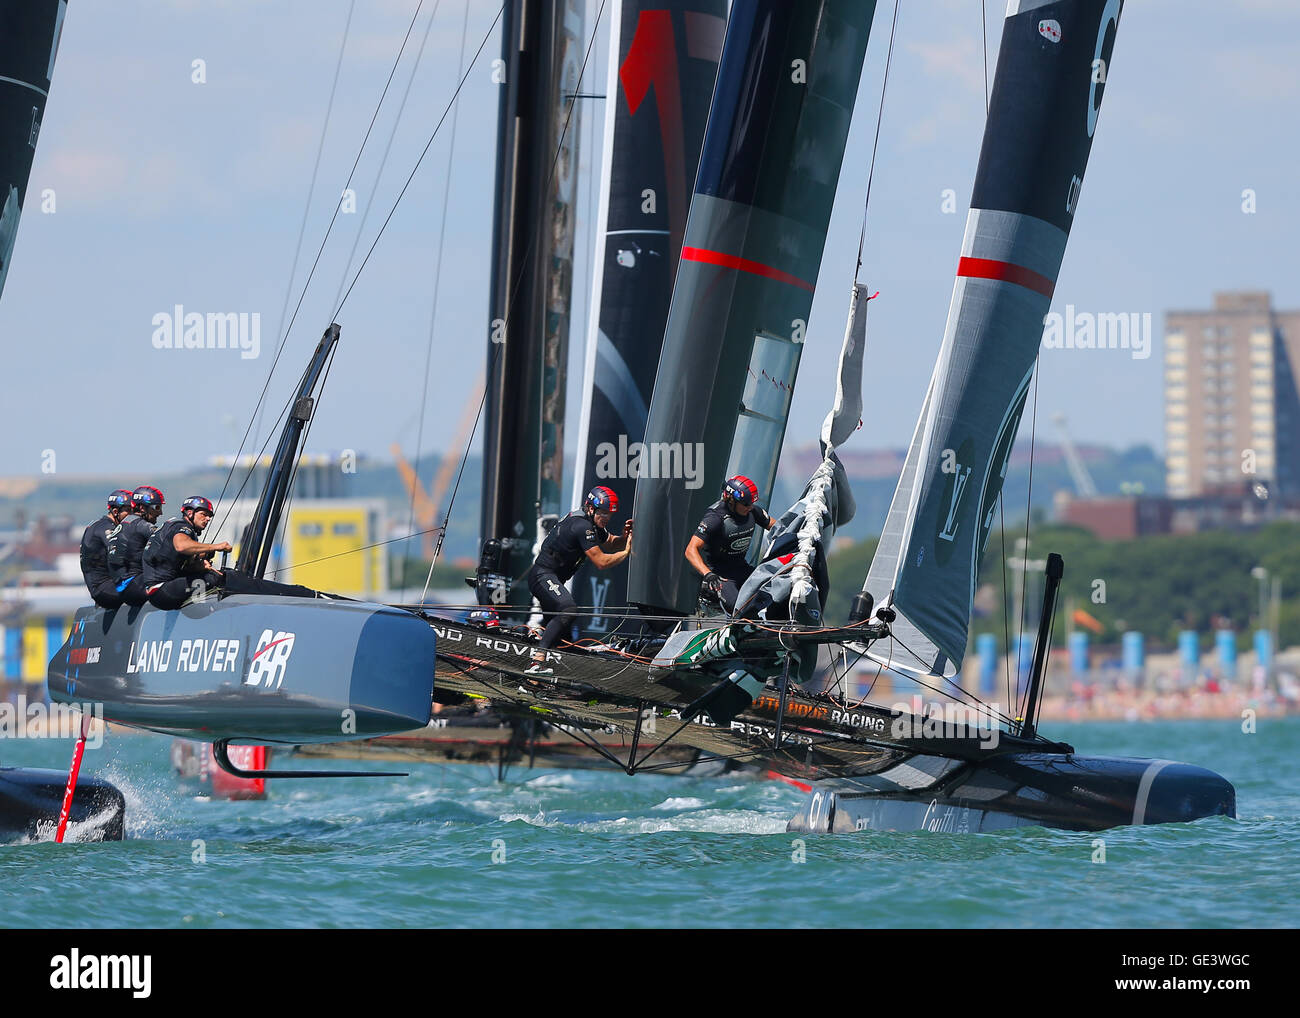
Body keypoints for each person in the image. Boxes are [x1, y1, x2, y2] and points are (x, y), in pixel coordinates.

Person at [525, 486, 632, 673]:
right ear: (591, 508)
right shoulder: (582, 526)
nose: (606, 518)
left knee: (563, 638)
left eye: (609, 514)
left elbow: (611, 542)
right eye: (603, 513)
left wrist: (625, 537)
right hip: (543, 575)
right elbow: (601, 561)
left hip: (551, 578)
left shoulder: (592, 524)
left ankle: (548, 678)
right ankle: (537, 661)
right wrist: (626, 553)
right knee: (569, 609)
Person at [142, 495, 318, 610]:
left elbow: (175, 559)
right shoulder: (182, 527)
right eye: (204, 514)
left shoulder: (170, 526)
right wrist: (216, 546)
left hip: (159, 592)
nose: (208, 519)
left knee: (216, 575)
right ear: (189, 513)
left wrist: (201, 563)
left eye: (210, 516)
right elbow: (182, 546)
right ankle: (300, 594)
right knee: (220, 578)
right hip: (162, 592)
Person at [684, 474, 772, 615]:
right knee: (740, 609)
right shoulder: (715, 518)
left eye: (752, 503)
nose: (750, 507)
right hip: (721, 576)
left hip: (741, 568)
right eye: (746, 504)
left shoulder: (752, 511)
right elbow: (690, 549)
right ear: (731, 500)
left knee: (774, 592)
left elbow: (778, 528)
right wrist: (708, 574)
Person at [106, 485, 165, 606]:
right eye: (157, 507)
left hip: (123, 588)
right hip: (136, 587)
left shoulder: (125, 524)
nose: (160, 513)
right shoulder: (142, 525)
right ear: (142, 508)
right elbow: (169, 543)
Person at [80, 490, 134, 608]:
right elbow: (122, 552)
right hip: (104, 589)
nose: (132, 515)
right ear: (115, 511)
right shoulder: (106, 527)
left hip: (104, 587)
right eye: (129, 511)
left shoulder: (99, 525)